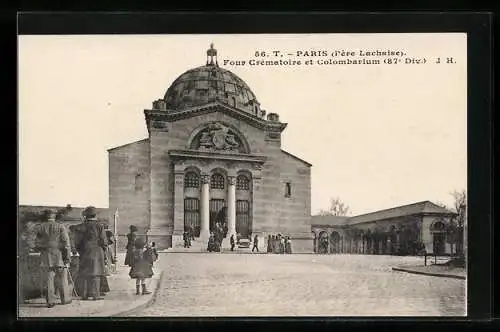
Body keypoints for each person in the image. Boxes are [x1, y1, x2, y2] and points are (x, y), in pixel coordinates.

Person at [35, 210, 72, 308]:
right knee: (62, 278)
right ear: (54, 217)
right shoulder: (60, 226)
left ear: (46, 217)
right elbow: (66, 243)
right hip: (59, 255)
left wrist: (43, 248)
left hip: (46, 256)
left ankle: (50, 301)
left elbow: (36, 242)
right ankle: (65, 299)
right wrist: (67, 257)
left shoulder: (40, 227)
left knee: (49, 279)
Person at [76, 206, 107, 300]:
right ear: (95, 215)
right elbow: (103, 241)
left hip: (84, 251)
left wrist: (80, 250)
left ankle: (84, 295)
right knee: (96, 274)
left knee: (85, 273)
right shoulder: (99, 226)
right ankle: (95, 295)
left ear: (86, 215)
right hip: (97, 251)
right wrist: (104, 249)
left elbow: (77, 242)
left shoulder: (81, 226)